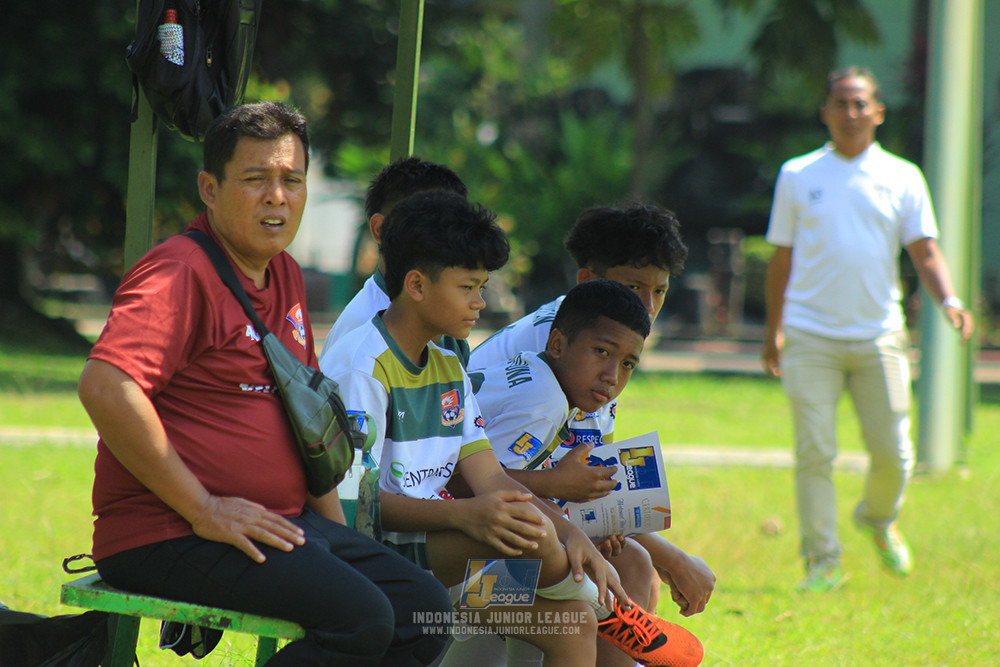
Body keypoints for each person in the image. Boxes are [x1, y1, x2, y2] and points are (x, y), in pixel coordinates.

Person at [77, 102, 452, 666]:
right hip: (168, 531)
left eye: (292, 181)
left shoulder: (285, 274)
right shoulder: (180, 272)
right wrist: (204, 508)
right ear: (210, 189)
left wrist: (340, 542)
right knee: (362, 619)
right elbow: (107, 386)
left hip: (281, 522)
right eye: (256, 179)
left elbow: (305, 422)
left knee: (424, 612)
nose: (277, 197)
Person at [321, 191, 703, 667]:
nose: (480, 302)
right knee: (533, 535)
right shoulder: (363, 367)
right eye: (468, 287)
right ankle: (608, 605)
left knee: (571, 620)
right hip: (389, 563)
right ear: (416, 285)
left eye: (482, 286)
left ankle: (600, 606)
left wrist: (572, 534)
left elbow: (492, 478)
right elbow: (356, 509)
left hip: (449, 560)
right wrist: (469, 516)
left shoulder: (446, 364)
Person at [762, 67, 975, 593]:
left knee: (896, 454)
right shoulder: (798, 174)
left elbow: (924, 249)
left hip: (880, 334)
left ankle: (877, 518)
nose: (851, 113)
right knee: (815, 451)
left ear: (878, 112)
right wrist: (773, 332)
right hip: (809, 334)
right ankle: (822, 561)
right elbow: (780, 259)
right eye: (841, 103)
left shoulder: (903, 176)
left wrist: (949, 299)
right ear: (825, 112)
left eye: (860, 104)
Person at [469, 203, 715, 619]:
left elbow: (592, 477)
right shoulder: (563, 360)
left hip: (518, 516)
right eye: (634, 286)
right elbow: (479, 482)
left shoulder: (603, 343)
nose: (647, 306)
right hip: (478, 544)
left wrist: (639, 543)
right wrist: (673, 560)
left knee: (632, 564)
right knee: (613, 581)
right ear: (588, 281)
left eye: (659, 291)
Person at [470, 278, 693, 667]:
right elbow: (472, 486)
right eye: (601, 352)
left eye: (627, 364)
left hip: (485, 547)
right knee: (576, 597)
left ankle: (613, 614)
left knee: (631, 561)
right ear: (557, 344)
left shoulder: (558, 386)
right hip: (462, 572)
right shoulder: (542, 399)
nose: (612, 375)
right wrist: (556, 488)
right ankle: (609, 612)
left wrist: (592, 521)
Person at [318, 156, 470, 368]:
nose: (446, 240)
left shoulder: (444, 316)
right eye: (429, 225)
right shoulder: (363, 339)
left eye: (454, 226)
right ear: (380, 229)